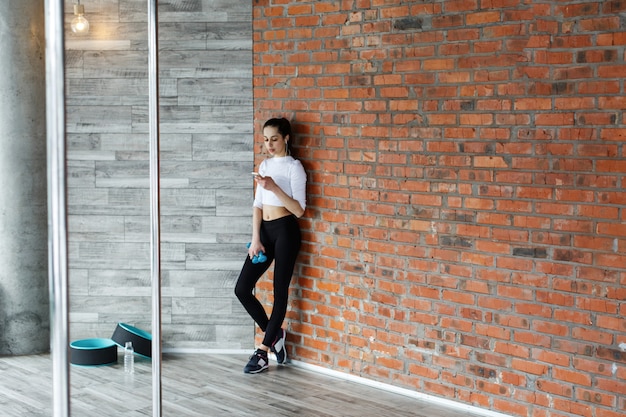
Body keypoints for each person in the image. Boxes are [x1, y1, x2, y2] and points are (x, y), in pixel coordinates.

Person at [234, 117, 307, 374]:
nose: (269, 144)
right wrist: (255, 238)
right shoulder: (264, 164)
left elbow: (299, 210)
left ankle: (263, 352)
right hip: (264, 232)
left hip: (286, 230)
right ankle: (274, 335)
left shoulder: (294, 167)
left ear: (286, 138)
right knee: (242, 288)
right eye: (266, 140)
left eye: (274, 139)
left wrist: (274, 186)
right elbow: (257, 205)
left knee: (280, 292)